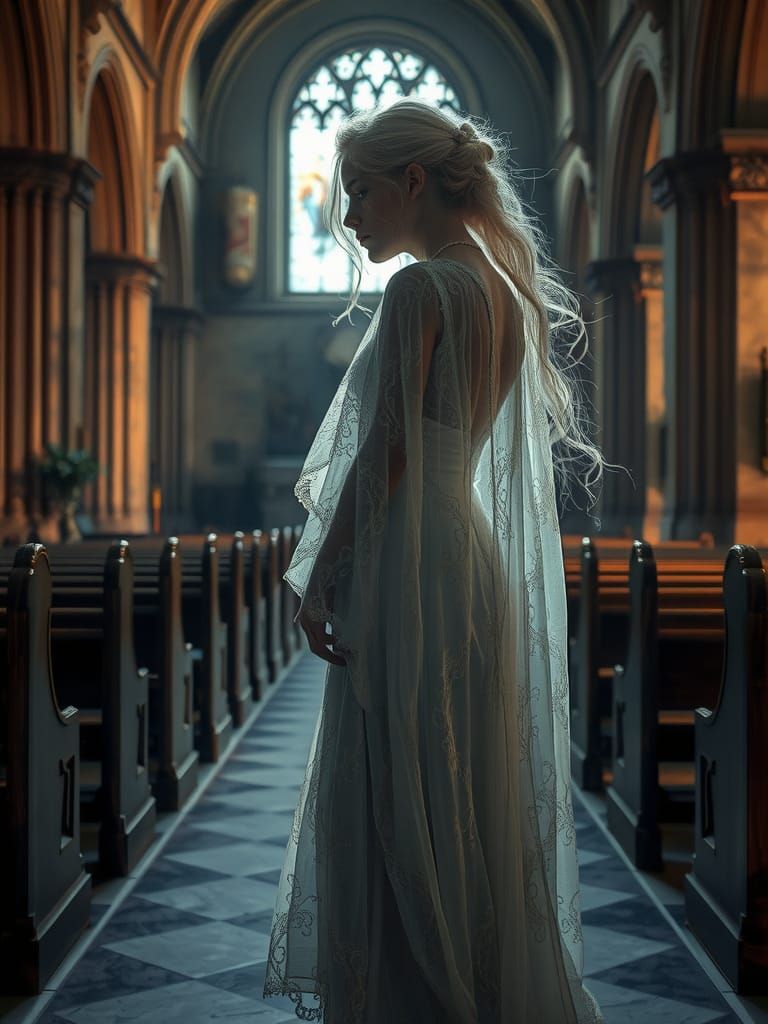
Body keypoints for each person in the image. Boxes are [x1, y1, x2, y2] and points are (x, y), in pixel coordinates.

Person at [263, 97, 604, 1024]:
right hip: (466, 552)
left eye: (361, 193)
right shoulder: (497, 284)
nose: (350, 219)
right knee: (455, 782)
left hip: (409, 550)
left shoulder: (422, 290)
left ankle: (422, 998)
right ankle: (476, 984)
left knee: (397, 781)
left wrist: (319, 568)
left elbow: (388, 447)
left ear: (414, 181)